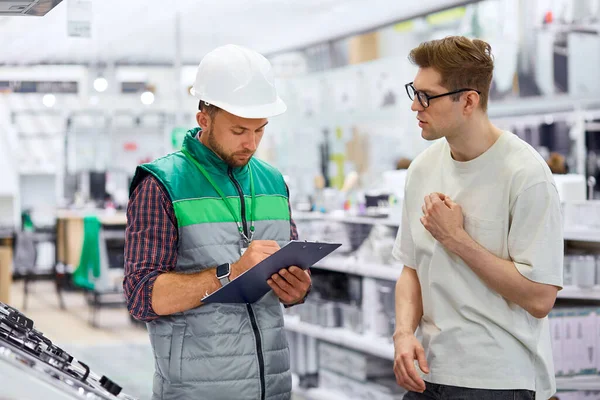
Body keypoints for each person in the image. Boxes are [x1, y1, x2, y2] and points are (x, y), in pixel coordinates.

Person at [123, 44, 312, 400]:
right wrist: (230, 274)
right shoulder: (161, 183)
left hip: (273, 387)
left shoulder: (273, 181)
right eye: (239, 130)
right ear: (204, 119)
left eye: (260, 130)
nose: (252, 143)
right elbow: (140, 296)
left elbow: (289, 268)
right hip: (197, 390)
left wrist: (297, 290)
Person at [392, 36, 563, 400]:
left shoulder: (526, 175)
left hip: (499, 381)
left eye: (426, 96)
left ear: (468, 100)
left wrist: (457, 240)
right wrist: (403, 333)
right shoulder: (422, 168)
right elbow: (410, 268)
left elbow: (539, 298)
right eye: (414, 91)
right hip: (430, 372)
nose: (414, 105)